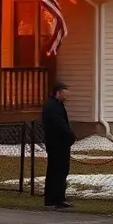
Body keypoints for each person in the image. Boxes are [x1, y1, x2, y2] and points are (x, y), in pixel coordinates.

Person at [41, 81, 76, 209]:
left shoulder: (56, 105)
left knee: (56, 171)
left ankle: (53, 199)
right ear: (58, 93)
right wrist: (70, 136)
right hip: (57, 144)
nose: (67, 95)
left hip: (57, 143)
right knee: (58, 171)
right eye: (65, 92)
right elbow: (60, 125)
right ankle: (56, 199)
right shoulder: (53, 107)